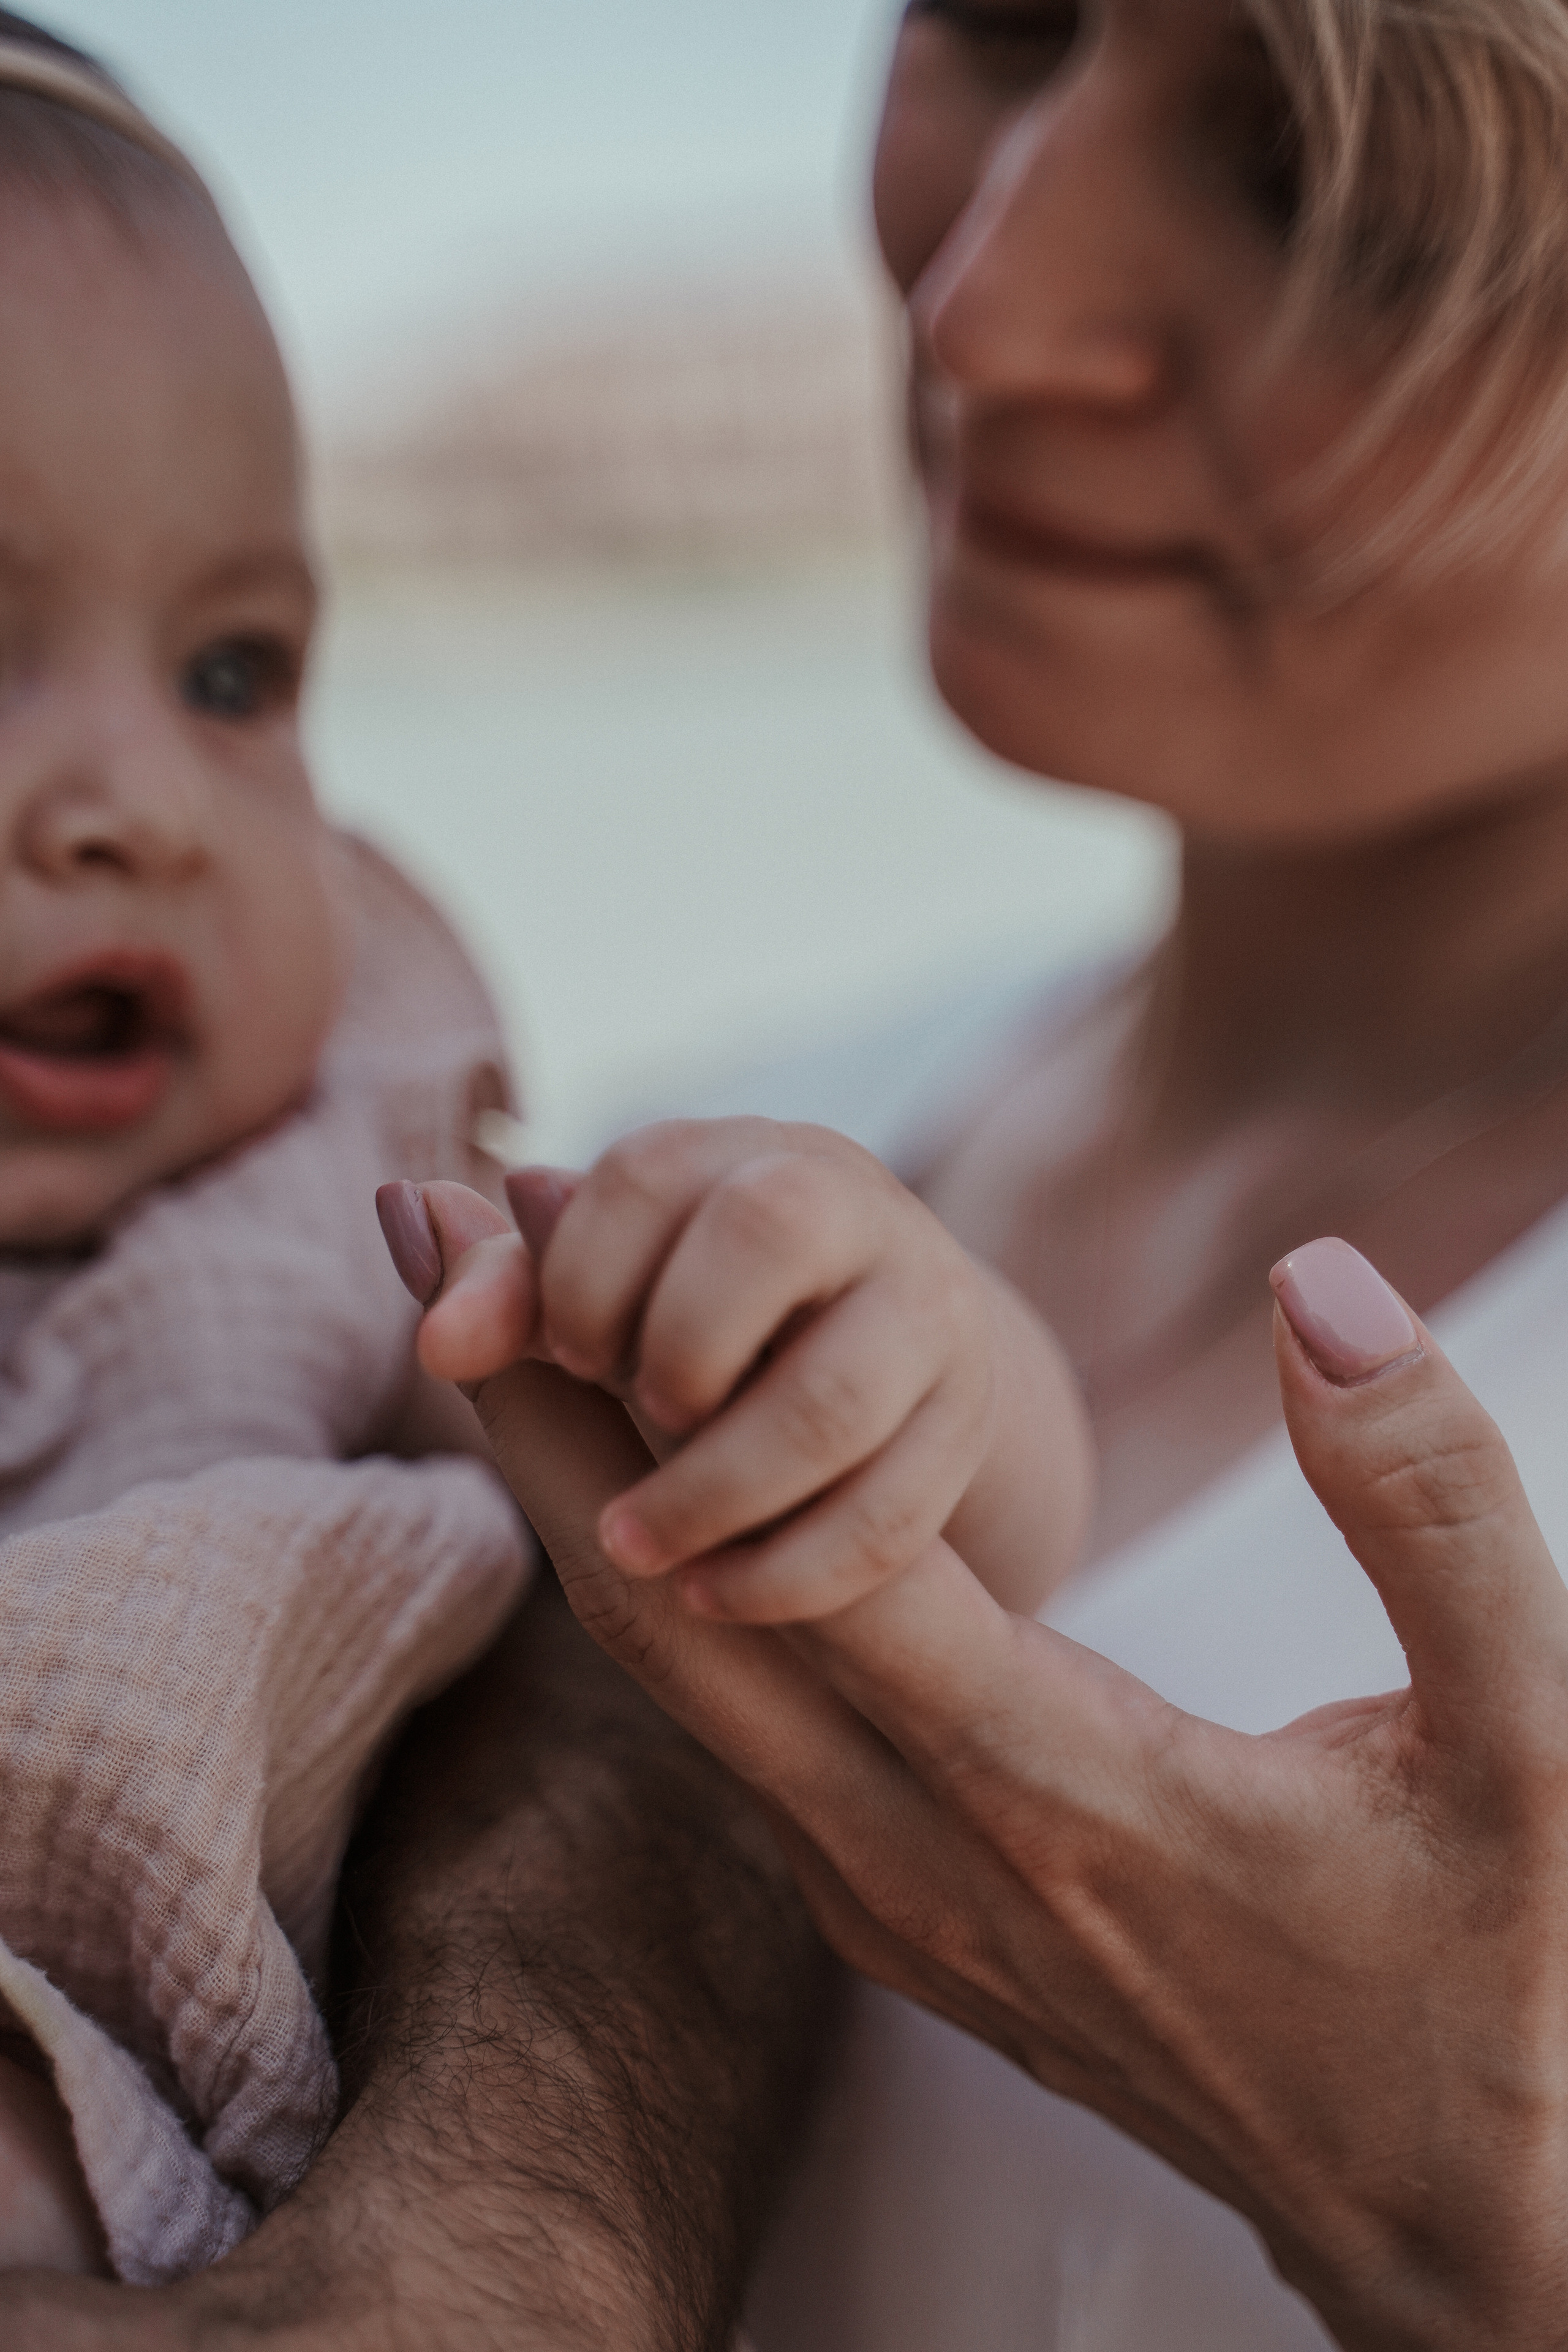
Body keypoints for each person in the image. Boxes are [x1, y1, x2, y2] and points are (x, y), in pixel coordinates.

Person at [379, 0, 1568, 2345]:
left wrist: (1486, 2241)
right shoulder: (691, 1140)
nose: (982, 309)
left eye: (1335, 192)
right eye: (1009, 17)